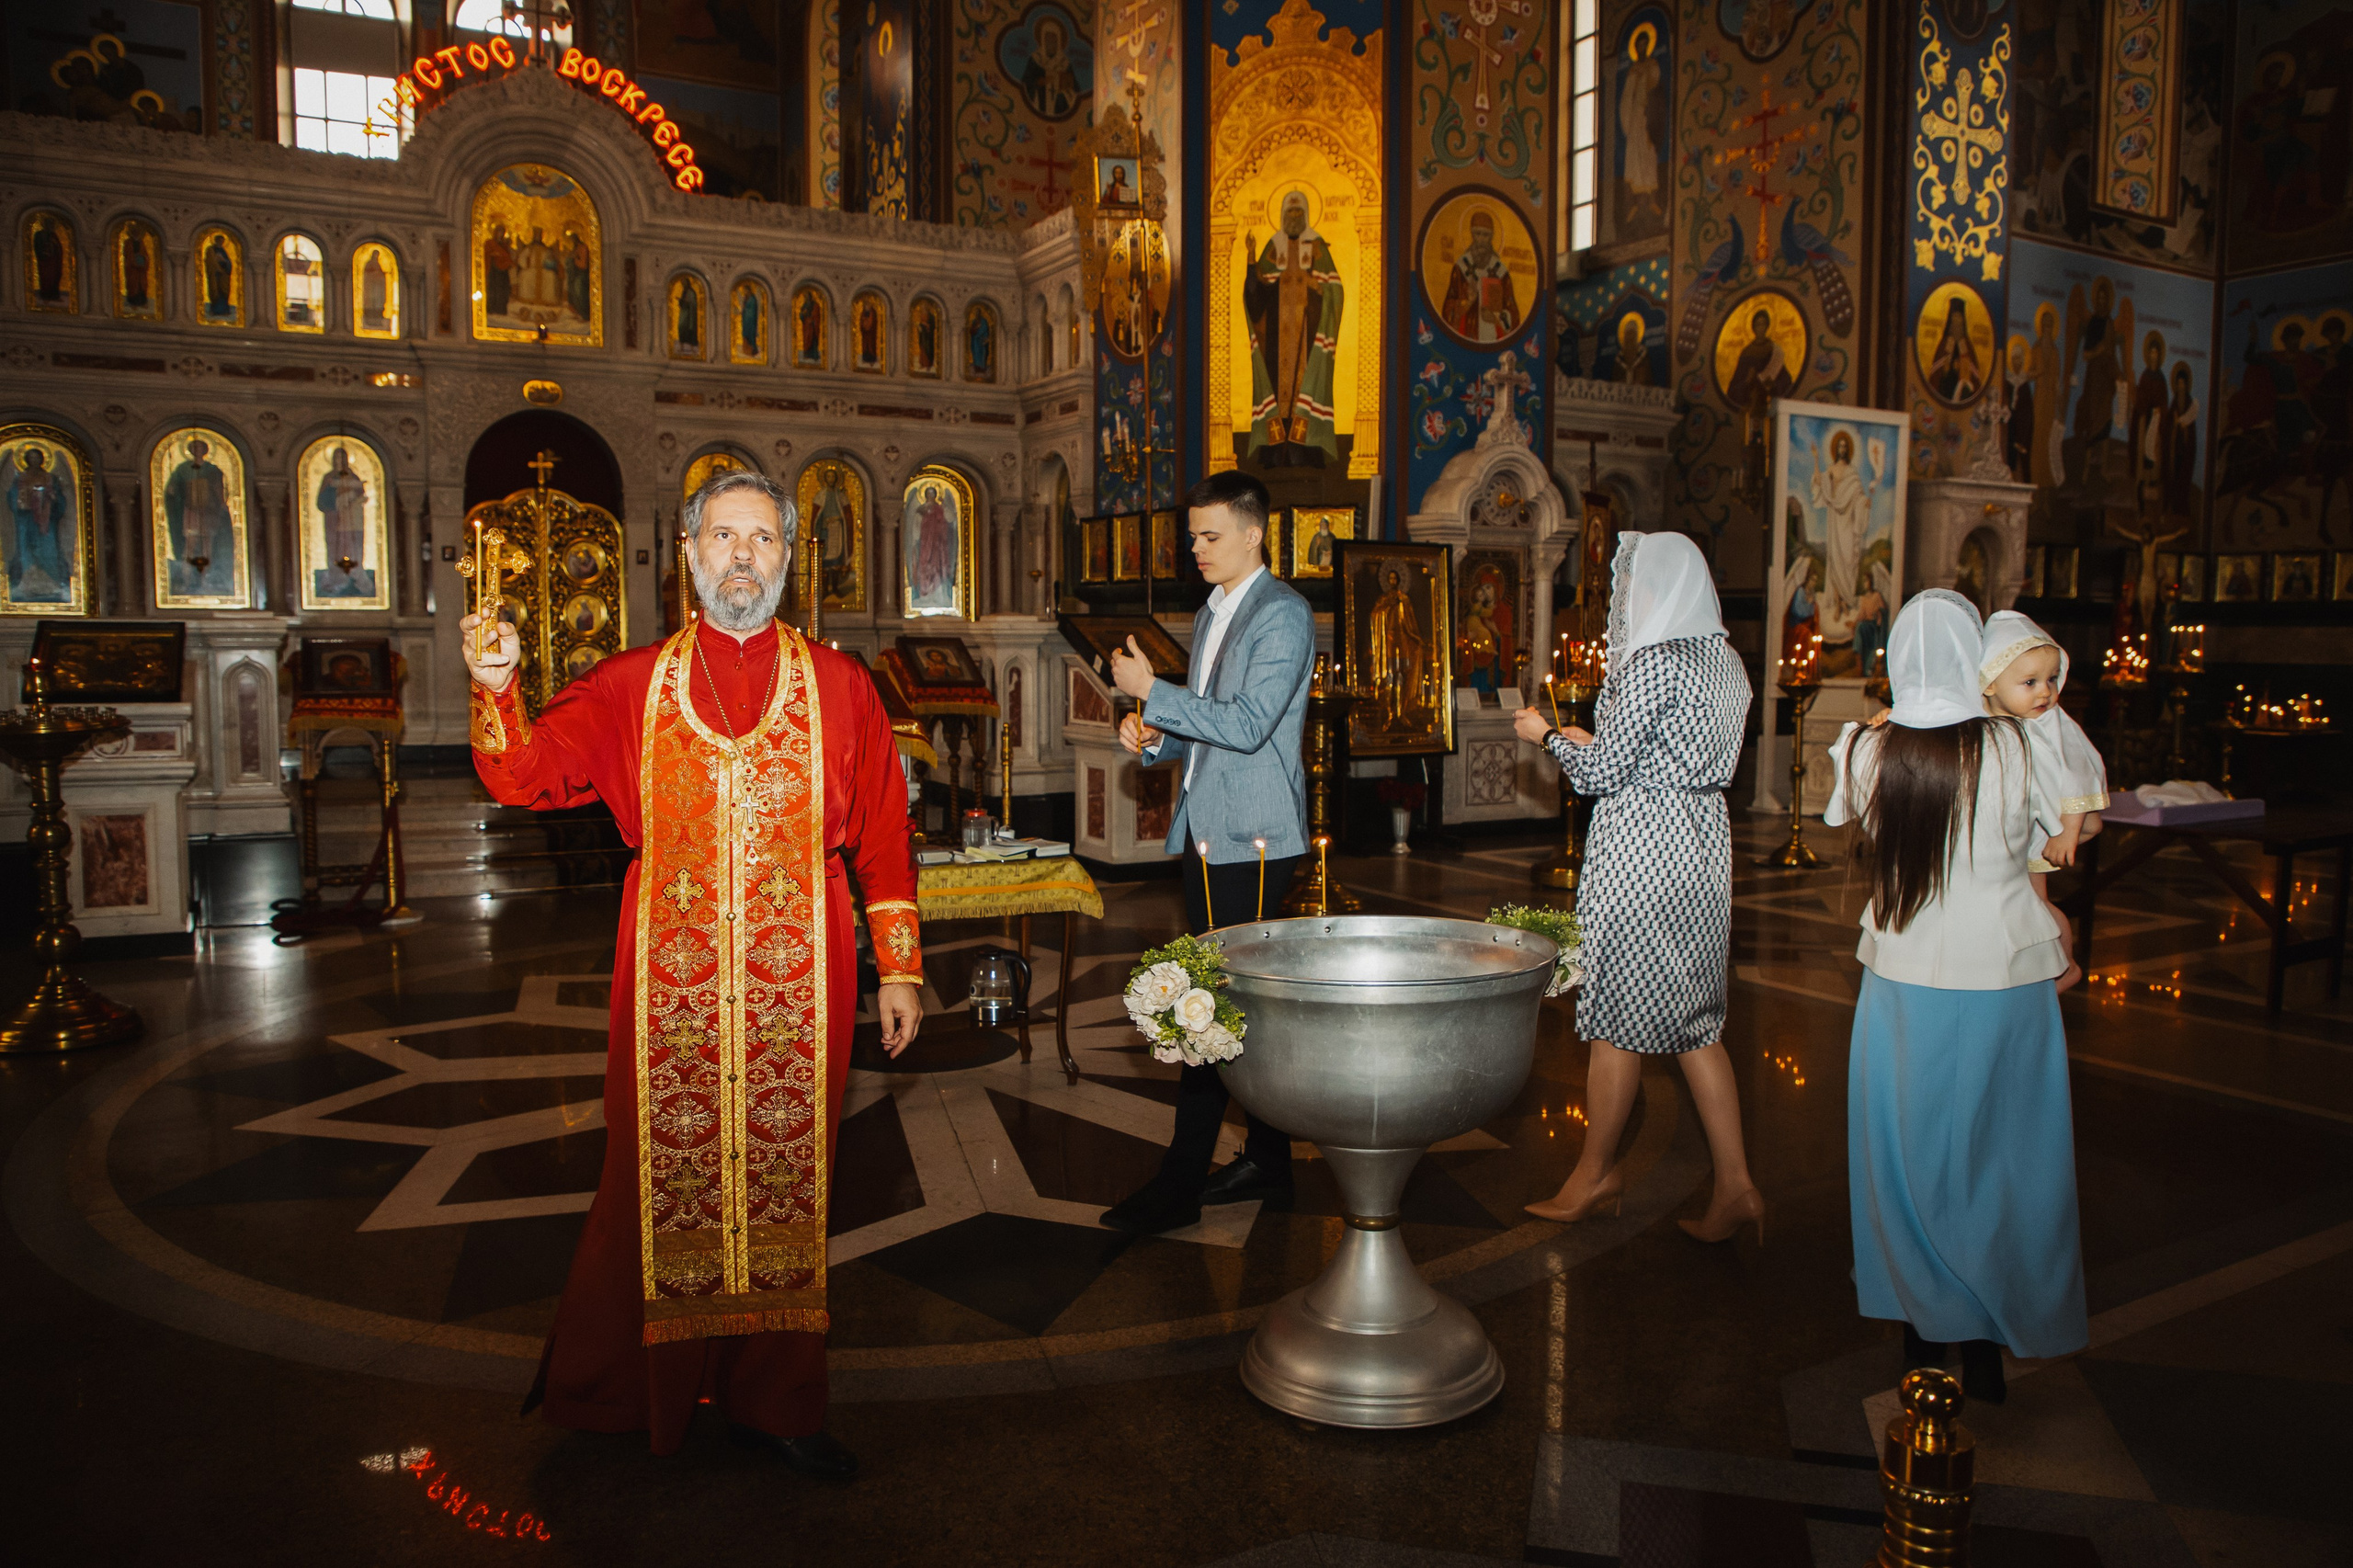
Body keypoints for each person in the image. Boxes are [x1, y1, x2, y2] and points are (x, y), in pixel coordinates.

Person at [464, 469, 924, 1483]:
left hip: (803, 984)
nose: (743, 556)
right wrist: (499, 688)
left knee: (787, 1189)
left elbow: (884, 828)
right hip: (665, 982)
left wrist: (899, 966)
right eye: (724, 536)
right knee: (658, 1181)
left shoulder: (840, 687)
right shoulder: (634, 683)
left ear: (789, 559)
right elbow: (527, 771)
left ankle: (777, 1398)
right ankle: (640, 1388)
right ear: (687, 552)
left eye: (763, 538)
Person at [1824, 589, 2085, 1404]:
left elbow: (1848, 820)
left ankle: (1921, 1334)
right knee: (2008, 1155)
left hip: (1905, 972)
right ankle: (1990, 1343)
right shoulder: (2018, 741)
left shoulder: (1867, 748)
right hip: (2008, 973)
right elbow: (2064, 833)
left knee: (1903, 1159)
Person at [1512, 532, 1762, 1243]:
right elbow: (1661, 753)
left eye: (1628, 588)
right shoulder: (1724, 660)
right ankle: (1738, 1184)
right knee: (1696, 1023)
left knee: (1617, 1015)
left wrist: (1546, 736)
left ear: (1655, 589)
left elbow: (1600, 777)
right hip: (1703, 841)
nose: (1624, 602)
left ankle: (1595, 1175)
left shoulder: (1651, 661)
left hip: (1643, 846)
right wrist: (1598, 744)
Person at [1099, 469, 1317, 1236]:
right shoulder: (1213, 611)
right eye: (1192, 534)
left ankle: (1178, 1185)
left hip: (1253, 838)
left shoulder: (1282, 615)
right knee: (1239, 1004)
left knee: (1209, 1010)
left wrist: (1152, 691)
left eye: (1210, 534)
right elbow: (1212, 725)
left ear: (1254, 534)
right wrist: (1156, 738)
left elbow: (1254, 722)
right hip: (1206, 826)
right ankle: (1269, 1158)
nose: (1195, 547)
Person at [1978, 612, 2107, 992]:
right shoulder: (1982, 716)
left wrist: (2066, 833)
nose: (2046, 692)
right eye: (2031, 682)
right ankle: (2023, 965)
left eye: (2051, 679)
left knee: (2036, 903)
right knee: (2018, 905)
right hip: (2010, 828)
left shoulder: (2049, 721)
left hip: (2047, 829)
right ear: (1989, 683)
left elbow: (2077, 773)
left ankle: (2066, 965)